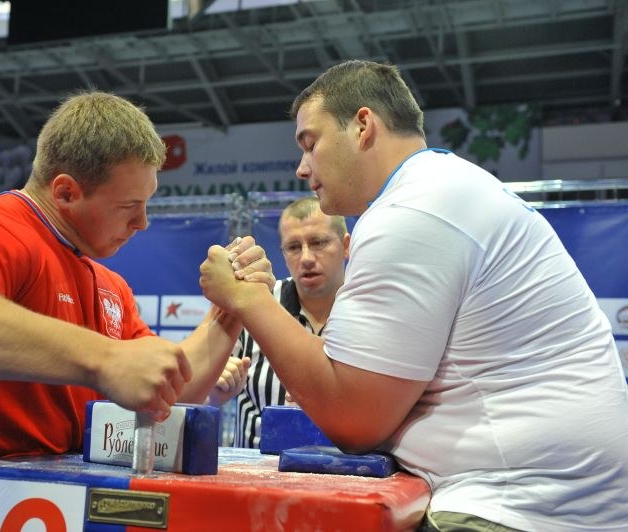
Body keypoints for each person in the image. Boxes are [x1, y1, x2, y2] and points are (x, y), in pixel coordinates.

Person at [199, 60, 628, 531]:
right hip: (552, 496)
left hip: (516, 506)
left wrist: (251, 301)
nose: (302, 168)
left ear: (363, 126)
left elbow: (356, 421)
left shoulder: (411, 212)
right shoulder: (444, 188)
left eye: (310, 143)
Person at [0, 91, 271, 531]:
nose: (143, 223)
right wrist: (104, 359)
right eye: (129, 207)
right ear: (66, 192)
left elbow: (169, 388)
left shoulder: (107, 284)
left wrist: (229, 311)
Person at [209, 196, 349, 448]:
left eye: (318, 242)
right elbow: (199, 388)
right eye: (294, 247)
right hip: (254, 475)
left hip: (344, 474)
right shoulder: (254, 304)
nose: (306, 258)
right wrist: (214, 386)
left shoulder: (369, 310)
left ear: (346, 246)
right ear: (283, 253)